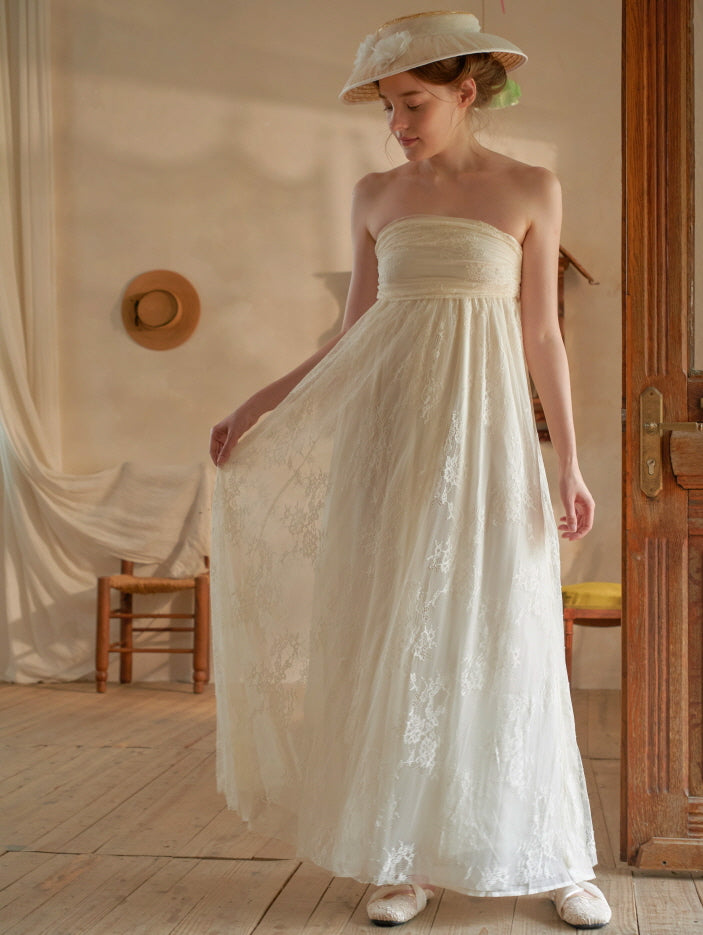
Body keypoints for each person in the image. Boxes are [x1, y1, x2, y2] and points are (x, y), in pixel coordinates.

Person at [209, 10, 611, 930]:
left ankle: (555, 855)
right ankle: (405, 855)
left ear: (466, 92)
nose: (397, 123)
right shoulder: (373, 195)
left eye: (413, 103)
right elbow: (353, 334)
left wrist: (571, 465)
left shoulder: (530, 189)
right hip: (390, 440)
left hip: (490, 441)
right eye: (388, 107)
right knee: (401, 630)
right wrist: (256, 404)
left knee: (502, 625)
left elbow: (541, 332)